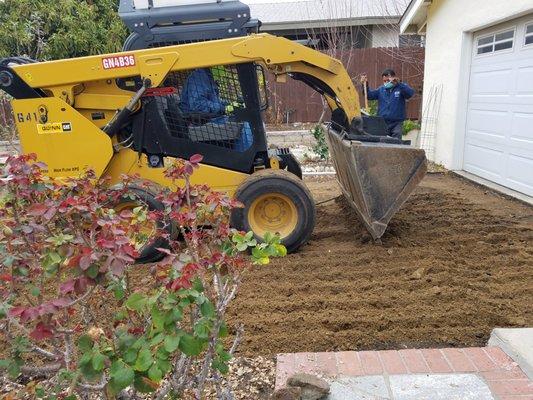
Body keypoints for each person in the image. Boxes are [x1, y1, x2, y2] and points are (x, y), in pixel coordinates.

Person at [360, 69, 415, 139]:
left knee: (396, 140)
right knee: (381, 141)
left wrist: (399, 83)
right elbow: (369, 95)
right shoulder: (381, 90)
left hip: (396, 123)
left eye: (388, 80)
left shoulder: (400, 88)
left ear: (393, 78)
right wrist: (365, 84)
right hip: (383, 122)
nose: (386, 83)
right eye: (384, 81)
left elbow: (410, 93)